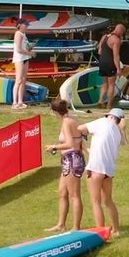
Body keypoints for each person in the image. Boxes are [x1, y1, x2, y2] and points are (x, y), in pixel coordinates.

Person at [79, 108, 128, 236]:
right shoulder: (118, 132)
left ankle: (100, 232)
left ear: (109, 116)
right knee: (108, 201)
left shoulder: (102, 122)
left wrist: (82, 138)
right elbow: (121, 143)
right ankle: (116, 229)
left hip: (95, 168)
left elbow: (80, 128)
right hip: (108, 170)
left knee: (95, 202)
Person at [45, 98, 84, 232]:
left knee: (74, 195)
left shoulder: (67, 122)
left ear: (54, 111)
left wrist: (54, 147)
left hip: (72, 159)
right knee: (62, 192)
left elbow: (70, 144)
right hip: (70, 159)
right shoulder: (72, 120)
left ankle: (76, 228)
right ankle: (61, 224)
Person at [96, 24, 125, 110]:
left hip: (102, 62)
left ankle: (100, 100)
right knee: (111, 85)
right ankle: (109, 105)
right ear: (120, 31)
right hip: (110, 63)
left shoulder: (104, 37)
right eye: (122, 33)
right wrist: (119, 69)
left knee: (104, 83)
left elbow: (99, 51)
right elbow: (116, 56)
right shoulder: (116, 40)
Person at [10, 17, 33, 110]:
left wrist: (31, 49)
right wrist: (29, 53)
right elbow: (18, 49)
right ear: (20, 25)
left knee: (23, 80)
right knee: (18, 80)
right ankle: (14, 102)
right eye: (25, 24)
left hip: (25, 58)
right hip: (19, 59)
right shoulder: (18, 34)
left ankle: (20, 101)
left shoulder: (24, 34)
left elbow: (25, 46)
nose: (27, 26)